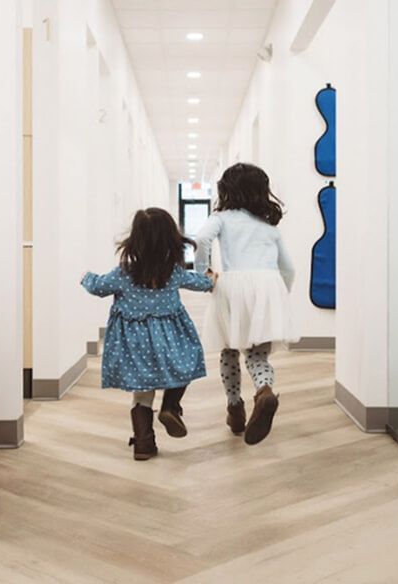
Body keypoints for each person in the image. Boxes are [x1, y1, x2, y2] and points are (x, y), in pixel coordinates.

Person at [81, 208, 215, 461]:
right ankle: (171, 407)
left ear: (136, 239)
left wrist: (85, 277)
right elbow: (201, 284)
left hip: (134, 343)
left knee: (142, 392)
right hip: (171, 337)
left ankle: (143, 443)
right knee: (185, 365)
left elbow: (98, 287)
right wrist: (211, 279)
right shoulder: (173, 272)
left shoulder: (123, 273)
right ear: (171, 239)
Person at [194, 162, 297, 445]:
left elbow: (202, 238)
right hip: (268, 285)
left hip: (233, 286)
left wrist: (203, 272)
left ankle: (235, 409)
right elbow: (289, 268)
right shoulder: (268, 226)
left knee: (229, 350)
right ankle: (264, 391)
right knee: (257, 355)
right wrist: (278, 296)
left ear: (227, 190)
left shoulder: (223, 218)